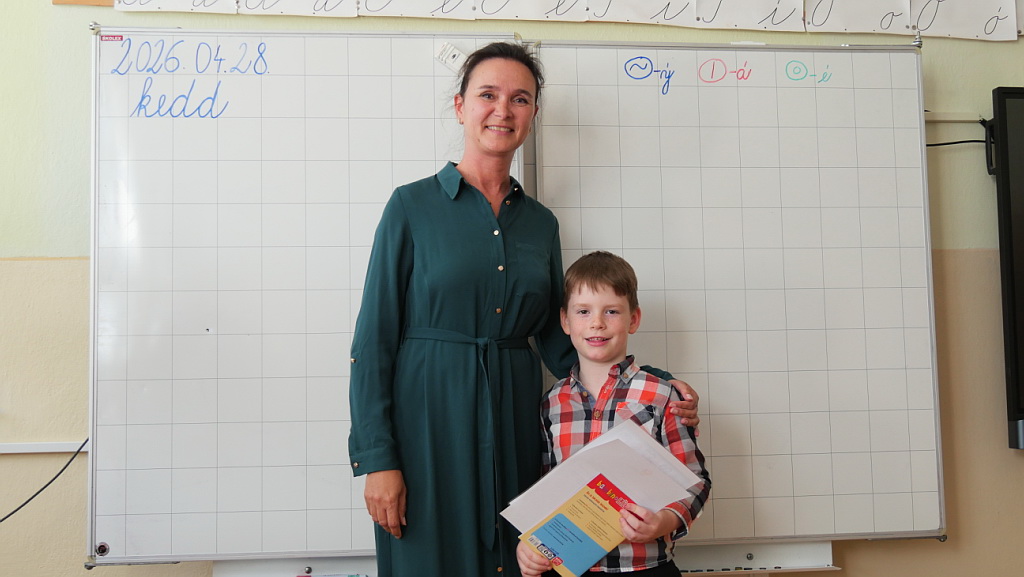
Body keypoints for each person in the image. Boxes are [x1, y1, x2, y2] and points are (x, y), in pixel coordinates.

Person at [347, 42, 700, 577]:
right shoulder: (410, 206)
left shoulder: (540, 223)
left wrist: (657, 391)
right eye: (487, 95)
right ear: (461, 106)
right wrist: (378, 460)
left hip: (517, 424)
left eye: (520, 99)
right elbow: (373, 341)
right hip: (427, 424)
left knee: (517, 561)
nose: (503, 110)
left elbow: (564, 341)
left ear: (533, 114)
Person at [517, 251, 711, 577]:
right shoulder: (551, 403)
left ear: (633, 319)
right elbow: (545, 491)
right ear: (565, 321)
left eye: (611, 311)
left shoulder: (662, 395)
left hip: (646, 567)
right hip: (568, 569)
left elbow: (696, 483)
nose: (597, 323)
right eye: (583, 311)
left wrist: (663, 522)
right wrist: (530, 545)